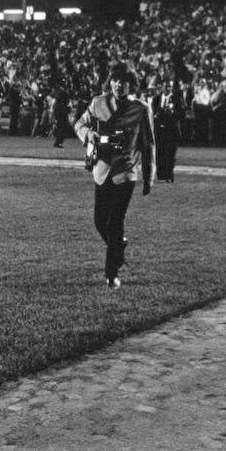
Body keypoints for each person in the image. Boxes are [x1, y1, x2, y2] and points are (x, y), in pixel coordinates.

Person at [75, 63, 156, 289]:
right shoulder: (98, 102)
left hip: (126, 171)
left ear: (131, 84)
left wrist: (148, 178)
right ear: (110, 82)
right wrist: (88, 134)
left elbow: (148, 146)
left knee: (115, 221)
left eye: (124, 81)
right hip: (101, 170)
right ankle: (118, 248)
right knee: (100, 221)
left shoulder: (141, 109)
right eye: (115, 80)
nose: (119, 84)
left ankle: (111, 273)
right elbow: (79, 123)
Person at [152, 79, 182, 182]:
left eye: (169, 86)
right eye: (166, 86)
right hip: (160, 131)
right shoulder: (156, 99)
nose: (167, 89)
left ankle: (169, 175)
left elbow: (181, 114)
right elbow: (153, 113)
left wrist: (173, 112)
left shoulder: (177, 99)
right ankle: (161, 175)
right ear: (162, 87)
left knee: (170, 154)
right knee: (160, 153)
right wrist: (156, 115)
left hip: (172, 131)